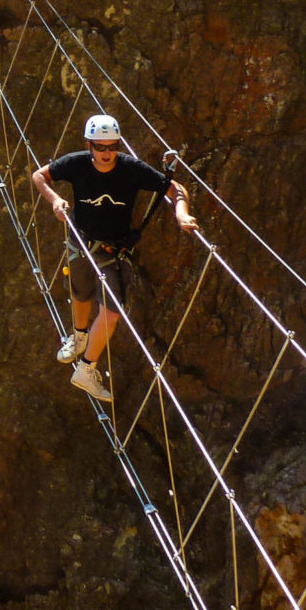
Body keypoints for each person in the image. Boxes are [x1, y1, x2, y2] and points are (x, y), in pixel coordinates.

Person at [29, 114, 200, 401]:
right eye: (99, 147)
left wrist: (181, 214)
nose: (107, 153)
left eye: (112, 147)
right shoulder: (76, 162)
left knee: (111, 312)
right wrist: (54, 200)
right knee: (81, 293)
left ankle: (86, 368)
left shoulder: (130, 168)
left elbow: (175, 188)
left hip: (114, 249)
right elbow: (39, 176)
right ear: (89, 145)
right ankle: (80, 336)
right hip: (80, 240)